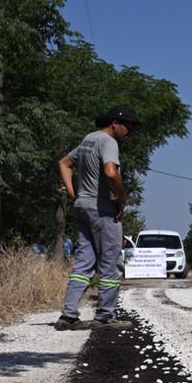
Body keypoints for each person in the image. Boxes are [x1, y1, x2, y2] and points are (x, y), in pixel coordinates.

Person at [54, 107, 140, 330]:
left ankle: (68, 315)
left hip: (83, 207)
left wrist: (74, 194)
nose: (129, 133)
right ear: (115, 123)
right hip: (101, 210)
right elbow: (111, 172)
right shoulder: (109, 142)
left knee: (84, 262)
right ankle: (105, 315)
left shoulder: (88, 140)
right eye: (128, 128)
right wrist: (122, 198)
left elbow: (64, 163)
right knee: (111, 263)